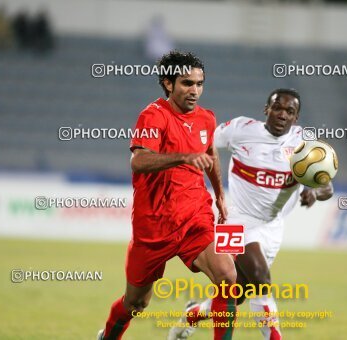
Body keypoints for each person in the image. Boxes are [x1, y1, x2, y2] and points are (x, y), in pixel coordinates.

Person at [168, 89, 333, 340]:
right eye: (277, 108)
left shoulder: (305, 144)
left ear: (296, 118)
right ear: (266, 109)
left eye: (290, 111)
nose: (282, 115)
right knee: (261, 279)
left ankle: (193, 313)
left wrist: (313, 193)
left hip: (273, 226)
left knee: (237, 293)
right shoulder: (241, 130)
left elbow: (326, 187)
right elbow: (202, 140)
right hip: (236, 219)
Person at [97, 51, 237, 340]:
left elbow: (210, 153)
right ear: (168, 84)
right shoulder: (153, 115)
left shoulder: (207, 118)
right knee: (135, 304)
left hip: (194, 216)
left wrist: (220, 194)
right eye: (187, 83)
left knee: (227, 276)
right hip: (154, 224)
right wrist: (183, 157)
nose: (195, 91)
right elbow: (139, 161)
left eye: (199, 83)